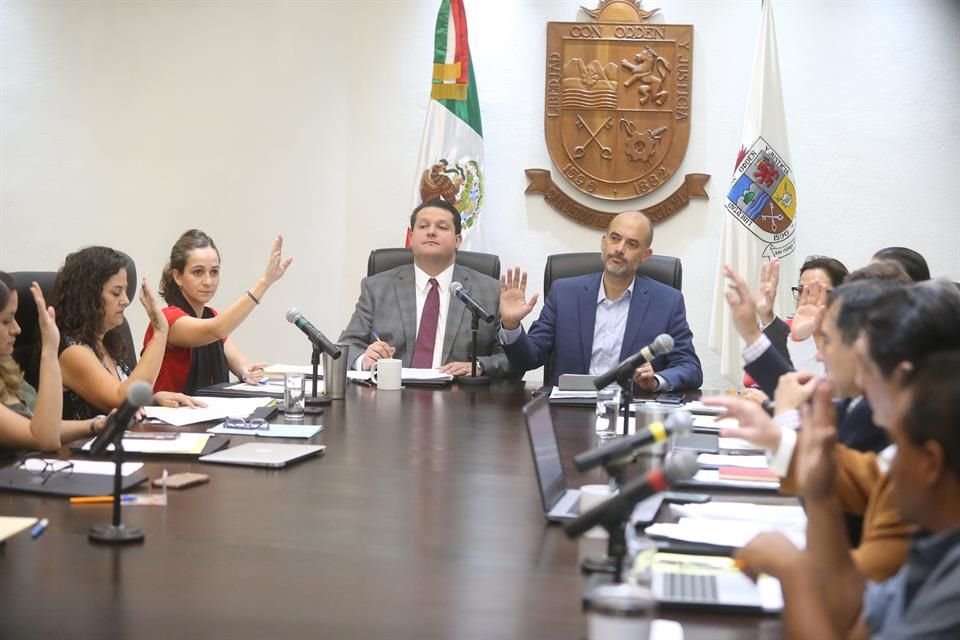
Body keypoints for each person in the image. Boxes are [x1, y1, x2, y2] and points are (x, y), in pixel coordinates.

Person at [712, 280, 960, 582]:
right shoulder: (903, 451)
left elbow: (853, 596)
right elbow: (860, 475)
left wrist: (787, 563)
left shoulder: (922, 468)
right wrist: (781, 438)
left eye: (868, 361)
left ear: (903, 373)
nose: (863, 377)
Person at [734, 350, 960, 639]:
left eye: (897, 447)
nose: (886, 463)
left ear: (931, 462)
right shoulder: (931, 547)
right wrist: (820, 495)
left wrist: (794, 571)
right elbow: (848, 618)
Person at [498, 211, 702, 390]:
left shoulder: (667, 302)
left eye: (632, 244)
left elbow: (690, 367)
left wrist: (656, 380)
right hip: (570, 410)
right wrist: (511, 325)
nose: (620, 248)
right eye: (615, 238)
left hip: (630, 410)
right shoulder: (564, 293)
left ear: (645, 255)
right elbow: (529, 359)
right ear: (604, 242)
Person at [339, 200, 511, 377]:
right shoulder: (377, 287)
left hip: (458, 391)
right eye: (423, 226)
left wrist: (478, 366)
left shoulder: (490, 291)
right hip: (392, 389)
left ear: (457, 240)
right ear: (411, 238)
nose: (431, 232)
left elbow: (511, 359)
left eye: (442, 227)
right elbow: (347, 345)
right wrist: (364, 360)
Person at [52, 246, 199, 420]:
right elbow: (120, 399)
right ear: (88, 296)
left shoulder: (108, 343)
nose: (126, 300)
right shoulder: (72, 351)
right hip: (90, 438)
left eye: (125, 291)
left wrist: (153, 400)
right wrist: (160, 331)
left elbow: (125, 392)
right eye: (116, 293)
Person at [147, 230, 292, 394]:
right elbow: (216, 329)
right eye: (198, 272)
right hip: (172, 410)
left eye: (214, 272)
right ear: (178, 276)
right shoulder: (167, 319)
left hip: (209, 408)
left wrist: (246, 371)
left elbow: (238, 361)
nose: (208, 281)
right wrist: (264, 282)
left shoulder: (211, 315)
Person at [1, 272, 108, 459]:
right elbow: (44, 438)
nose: (17, 329)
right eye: (6, 321)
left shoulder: (6, 368)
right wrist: (50, 350)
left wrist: (93, 425)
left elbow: (42, 425)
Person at [752, 255, 848, 374]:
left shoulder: (853, 341)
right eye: (801, 290)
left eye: (818, 291)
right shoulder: (792, 333)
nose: (806, 298)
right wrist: (765, 314)